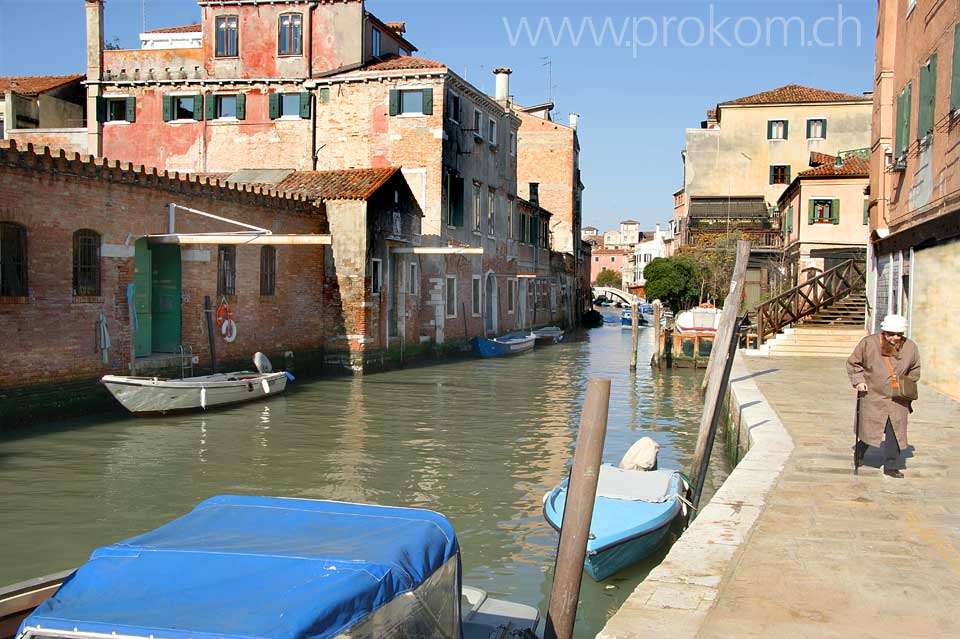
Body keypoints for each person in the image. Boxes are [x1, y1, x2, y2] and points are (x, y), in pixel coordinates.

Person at [846, 314, 921, 478]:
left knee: (895, 430)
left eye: (899, 334)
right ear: (884, 332)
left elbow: (915, 369)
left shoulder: (910, 347)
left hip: (897, 398)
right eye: (892, 334)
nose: (895, 338)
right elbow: (854, 363)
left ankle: (891, 465)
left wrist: (906, 384)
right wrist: (858, 381)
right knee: (871, 428)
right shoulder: (868, 343)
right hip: (873, 395)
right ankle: (860, 450)